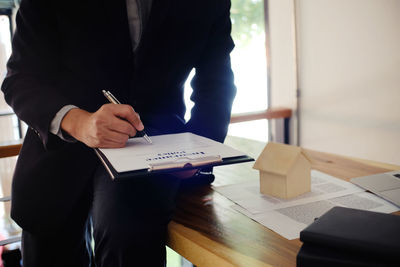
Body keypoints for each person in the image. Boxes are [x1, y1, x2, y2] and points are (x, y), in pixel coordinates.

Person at [1, 0, 236, 266]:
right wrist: (79, 122)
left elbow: (217, 83)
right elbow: (20, 79)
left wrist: (200, 148)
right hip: (55, 159)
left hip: (153, 153)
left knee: (129, 242)